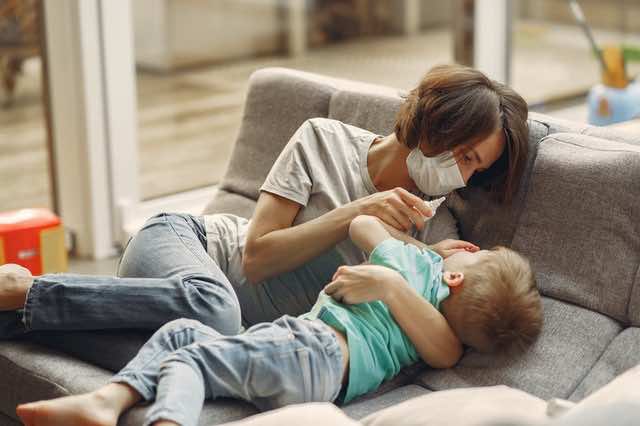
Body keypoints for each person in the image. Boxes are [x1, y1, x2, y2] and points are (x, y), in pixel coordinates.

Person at [0, 64, 529, 368]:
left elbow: (442, 340)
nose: (461, 176)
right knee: (216, 311)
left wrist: (420, 257)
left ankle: (17, 321)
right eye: (463, 155)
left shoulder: (436, 227)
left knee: (194, 353)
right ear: (436, 122)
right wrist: (355, 213)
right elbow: (255, 258)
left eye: (474, 169)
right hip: (189, 247)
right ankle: (31, 291)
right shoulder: (323, 140)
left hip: (223, 324)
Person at [15, 214, 542, 426]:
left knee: (192, 359)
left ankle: (165, 420)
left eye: (479, 254)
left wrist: (417, 251)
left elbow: (363, 223)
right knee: (181, 332)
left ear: (455, 278)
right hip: (315, 376)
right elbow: (448, 352)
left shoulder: (415, 267)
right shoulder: (443, 337)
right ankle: (109, 399)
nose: (469, 250)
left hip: (307, 349)